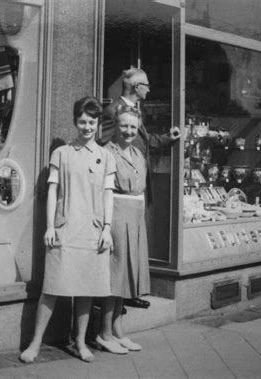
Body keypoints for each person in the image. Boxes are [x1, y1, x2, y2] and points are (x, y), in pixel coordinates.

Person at [20, 96, 116, 363]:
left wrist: (107, 229)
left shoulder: (106, 157)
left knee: (86, 289)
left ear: (98, 123)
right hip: (65, 229)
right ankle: (35, 344)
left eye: (92, 121)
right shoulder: (60, 154)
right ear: (75, 122)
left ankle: (80, 342)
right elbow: (52, 192)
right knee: (51, 288)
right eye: (82, 121)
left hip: (93, 231)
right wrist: (50, 227)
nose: (87, 126)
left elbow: (109, 196)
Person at [99, 67, 180, 309]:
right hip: (118, 190)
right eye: (146, 85)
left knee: (132, 243)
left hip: (136, 187)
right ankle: (115, 296)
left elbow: (144, 143)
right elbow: (104, 143)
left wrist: (167, 138)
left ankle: (128, 291)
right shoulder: (112, 110)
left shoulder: (136, 113)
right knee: (119, 247)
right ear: (136, 88)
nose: (149, 89)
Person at [97, 106, 148, 354]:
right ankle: (104, 333)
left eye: (133, 126)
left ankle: (117, 331)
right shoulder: (107, 152)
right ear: (116, 125)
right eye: (124, 125)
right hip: (116, 216)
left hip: (136, 218)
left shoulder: (138, 153)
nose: (129, 131)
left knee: (126, 276)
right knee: (114, 277)